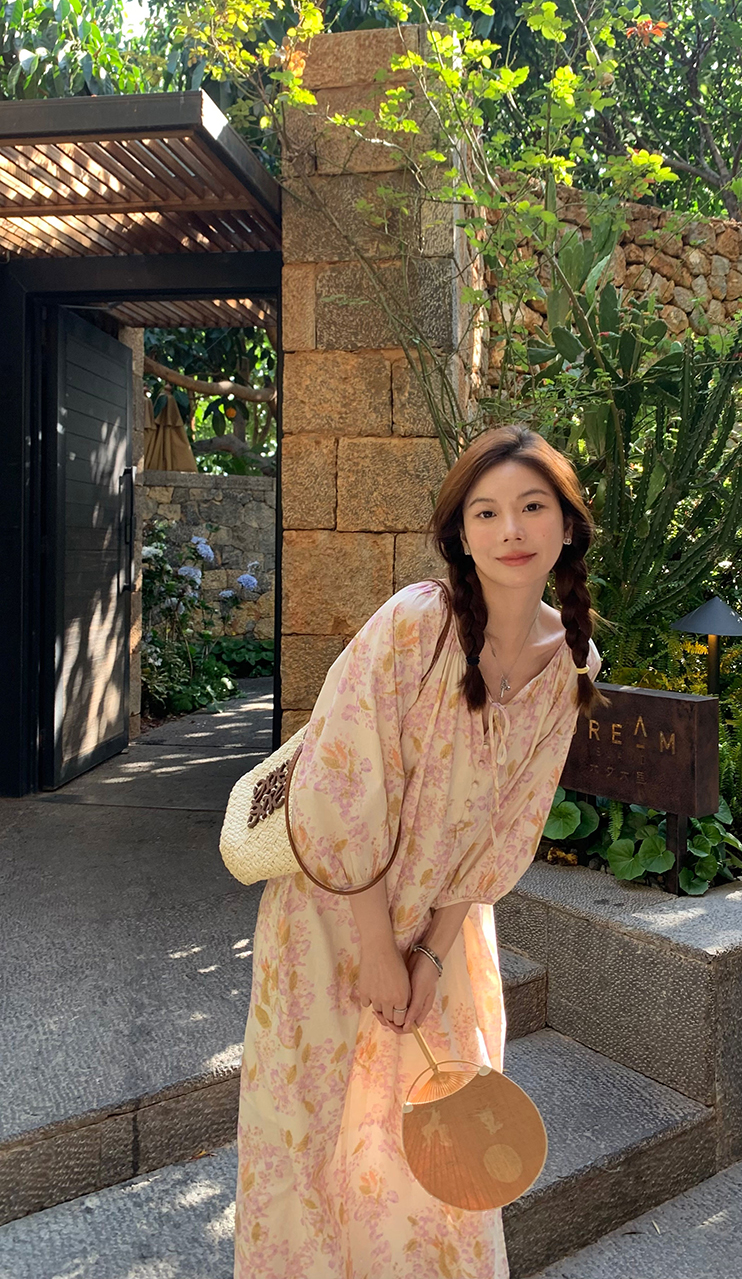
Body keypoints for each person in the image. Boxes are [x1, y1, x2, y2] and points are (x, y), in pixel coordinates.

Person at [233, 424, 606, 1279]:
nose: (511, 530)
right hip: (333, 919)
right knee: (310, 1142)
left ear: (566, 525)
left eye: (532, 507)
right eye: (487, 513)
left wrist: (430, 957)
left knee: (436, 1151)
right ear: (461, 534)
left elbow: (509, 827)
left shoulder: (573, 662)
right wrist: (377, 948)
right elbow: (340, 786)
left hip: (448, 934)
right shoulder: (416, 624)